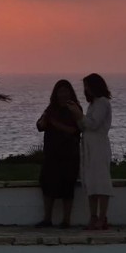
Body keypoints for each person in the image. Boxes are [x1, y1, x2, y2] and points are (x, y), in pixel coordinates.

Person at [67, 73, 113, 230]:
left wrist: (79, 115)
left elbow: (93, 124)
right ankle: (93, 216)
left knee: (101, 181)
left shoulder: (103, 103)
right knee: (91, 181)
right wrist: (77, 116)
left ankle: (102, 217)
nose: (85, 89)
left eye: (87, 86)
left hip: (98, 145)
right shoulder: (93, 104)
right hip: (89, 145)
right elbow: (84, 126)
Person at [35, 79, 82, 228]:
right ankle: (47, 218)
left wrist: (55, 124)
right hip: (51, 154)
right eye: (60, 91)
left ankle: (66, 220)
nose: (63, 94)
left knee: (68, 186)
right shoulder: (51, 108)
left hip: (69, 154)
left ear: (70, 93)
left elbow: (76, 130)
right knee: (47, 184)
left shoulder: (74, 108)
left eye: (65, 91)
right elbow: (40, 126)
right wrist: (45, 119)